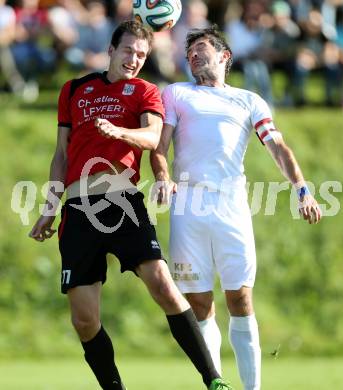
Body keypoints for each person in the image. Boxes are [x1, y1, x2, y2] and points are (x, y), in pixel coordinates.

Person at [29, 20, 232, 390]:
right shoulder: (74, 89)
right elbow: (60, 154)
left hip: (123, 201)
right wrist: (50, 206)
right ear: (111, 50)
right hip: (77, 210)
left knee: (163, 285)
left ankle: (214, 380)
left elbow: (154, 136)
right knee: (84, 321)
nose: (134, 60)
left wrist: (120, 132)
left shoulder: (144, 90)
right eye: (128, 51)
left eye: (142, 54)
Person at [150, 25, 322, 390]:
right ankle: (215, 384)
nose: (193, 55)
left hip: (230, 205)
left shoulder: (249, 100)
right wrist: (162, 178)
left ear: (224, 56)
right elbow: (159, 147)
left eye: (200, 48)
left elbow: (277, 147)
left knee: (240, 297)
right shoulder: (177, 93)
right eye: (189, 52)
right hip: (189, 205)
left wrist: (302, 189)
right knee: (198, 303)